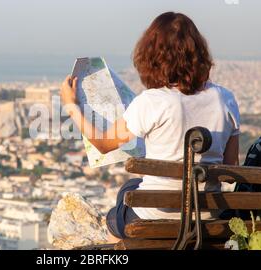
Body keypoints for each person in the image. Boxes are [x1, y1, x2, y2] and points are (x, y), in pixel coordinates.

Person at [60, 12, 240, 242]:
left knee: (118, 211)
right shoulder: (225, 99)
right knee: (131, 187)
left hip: (156, 213)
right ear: (200, 54)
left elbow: (103, 144)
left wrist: (71, 106)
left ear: (152, 56)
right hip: (209, 214)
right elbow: (230, 173)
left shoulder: (152, 101)